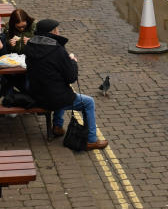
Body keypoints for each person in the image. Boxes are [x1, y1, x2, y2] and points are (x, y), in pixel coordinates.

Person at [24, 19, 108, 149]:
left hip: (36, 94)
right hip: (52, 97)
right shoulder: (57, 50)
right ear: (53, 32)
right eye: (57, 29)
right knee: (88, 102)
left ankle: (58, 126)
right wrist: (72, 61)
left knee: (59, 88)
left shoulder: (30, 46)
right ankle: (91, 140)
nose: (59, 31)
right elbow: (71, 77)